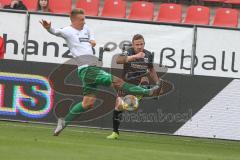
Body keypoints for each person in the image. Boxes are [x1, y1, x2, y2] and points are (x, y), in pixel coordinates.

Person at [40, 8, 163, 136]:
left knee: (88, 103)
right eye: (81, 19)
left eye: (84, 19)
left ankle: (64, 122)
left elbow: (92, 39)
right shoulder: (68, 31)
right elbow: (56, 32)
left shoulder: (86, 28)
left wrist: (92, 42)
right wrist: (48, 28)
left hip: (90, 69)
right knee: (118, 82)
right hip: (88, 69)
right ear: (74, 20)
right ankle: (147, 91)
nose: (84, 21)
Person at [106, 34, 161, 139]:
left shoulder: (148, 55)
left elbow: (151, 69)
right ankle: (115, 132)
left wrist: (157, 82)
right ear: (133, 44)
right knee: (118, 107)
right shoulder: (128, 51)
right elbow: (118, 60)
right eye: (137, 44)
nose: (140, 46)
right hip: (126, 84)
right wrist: (135, 57)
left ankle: (140, 94)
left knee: (144, 79)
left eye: (141, 44)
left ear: (144, 44)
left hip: (139, 83)